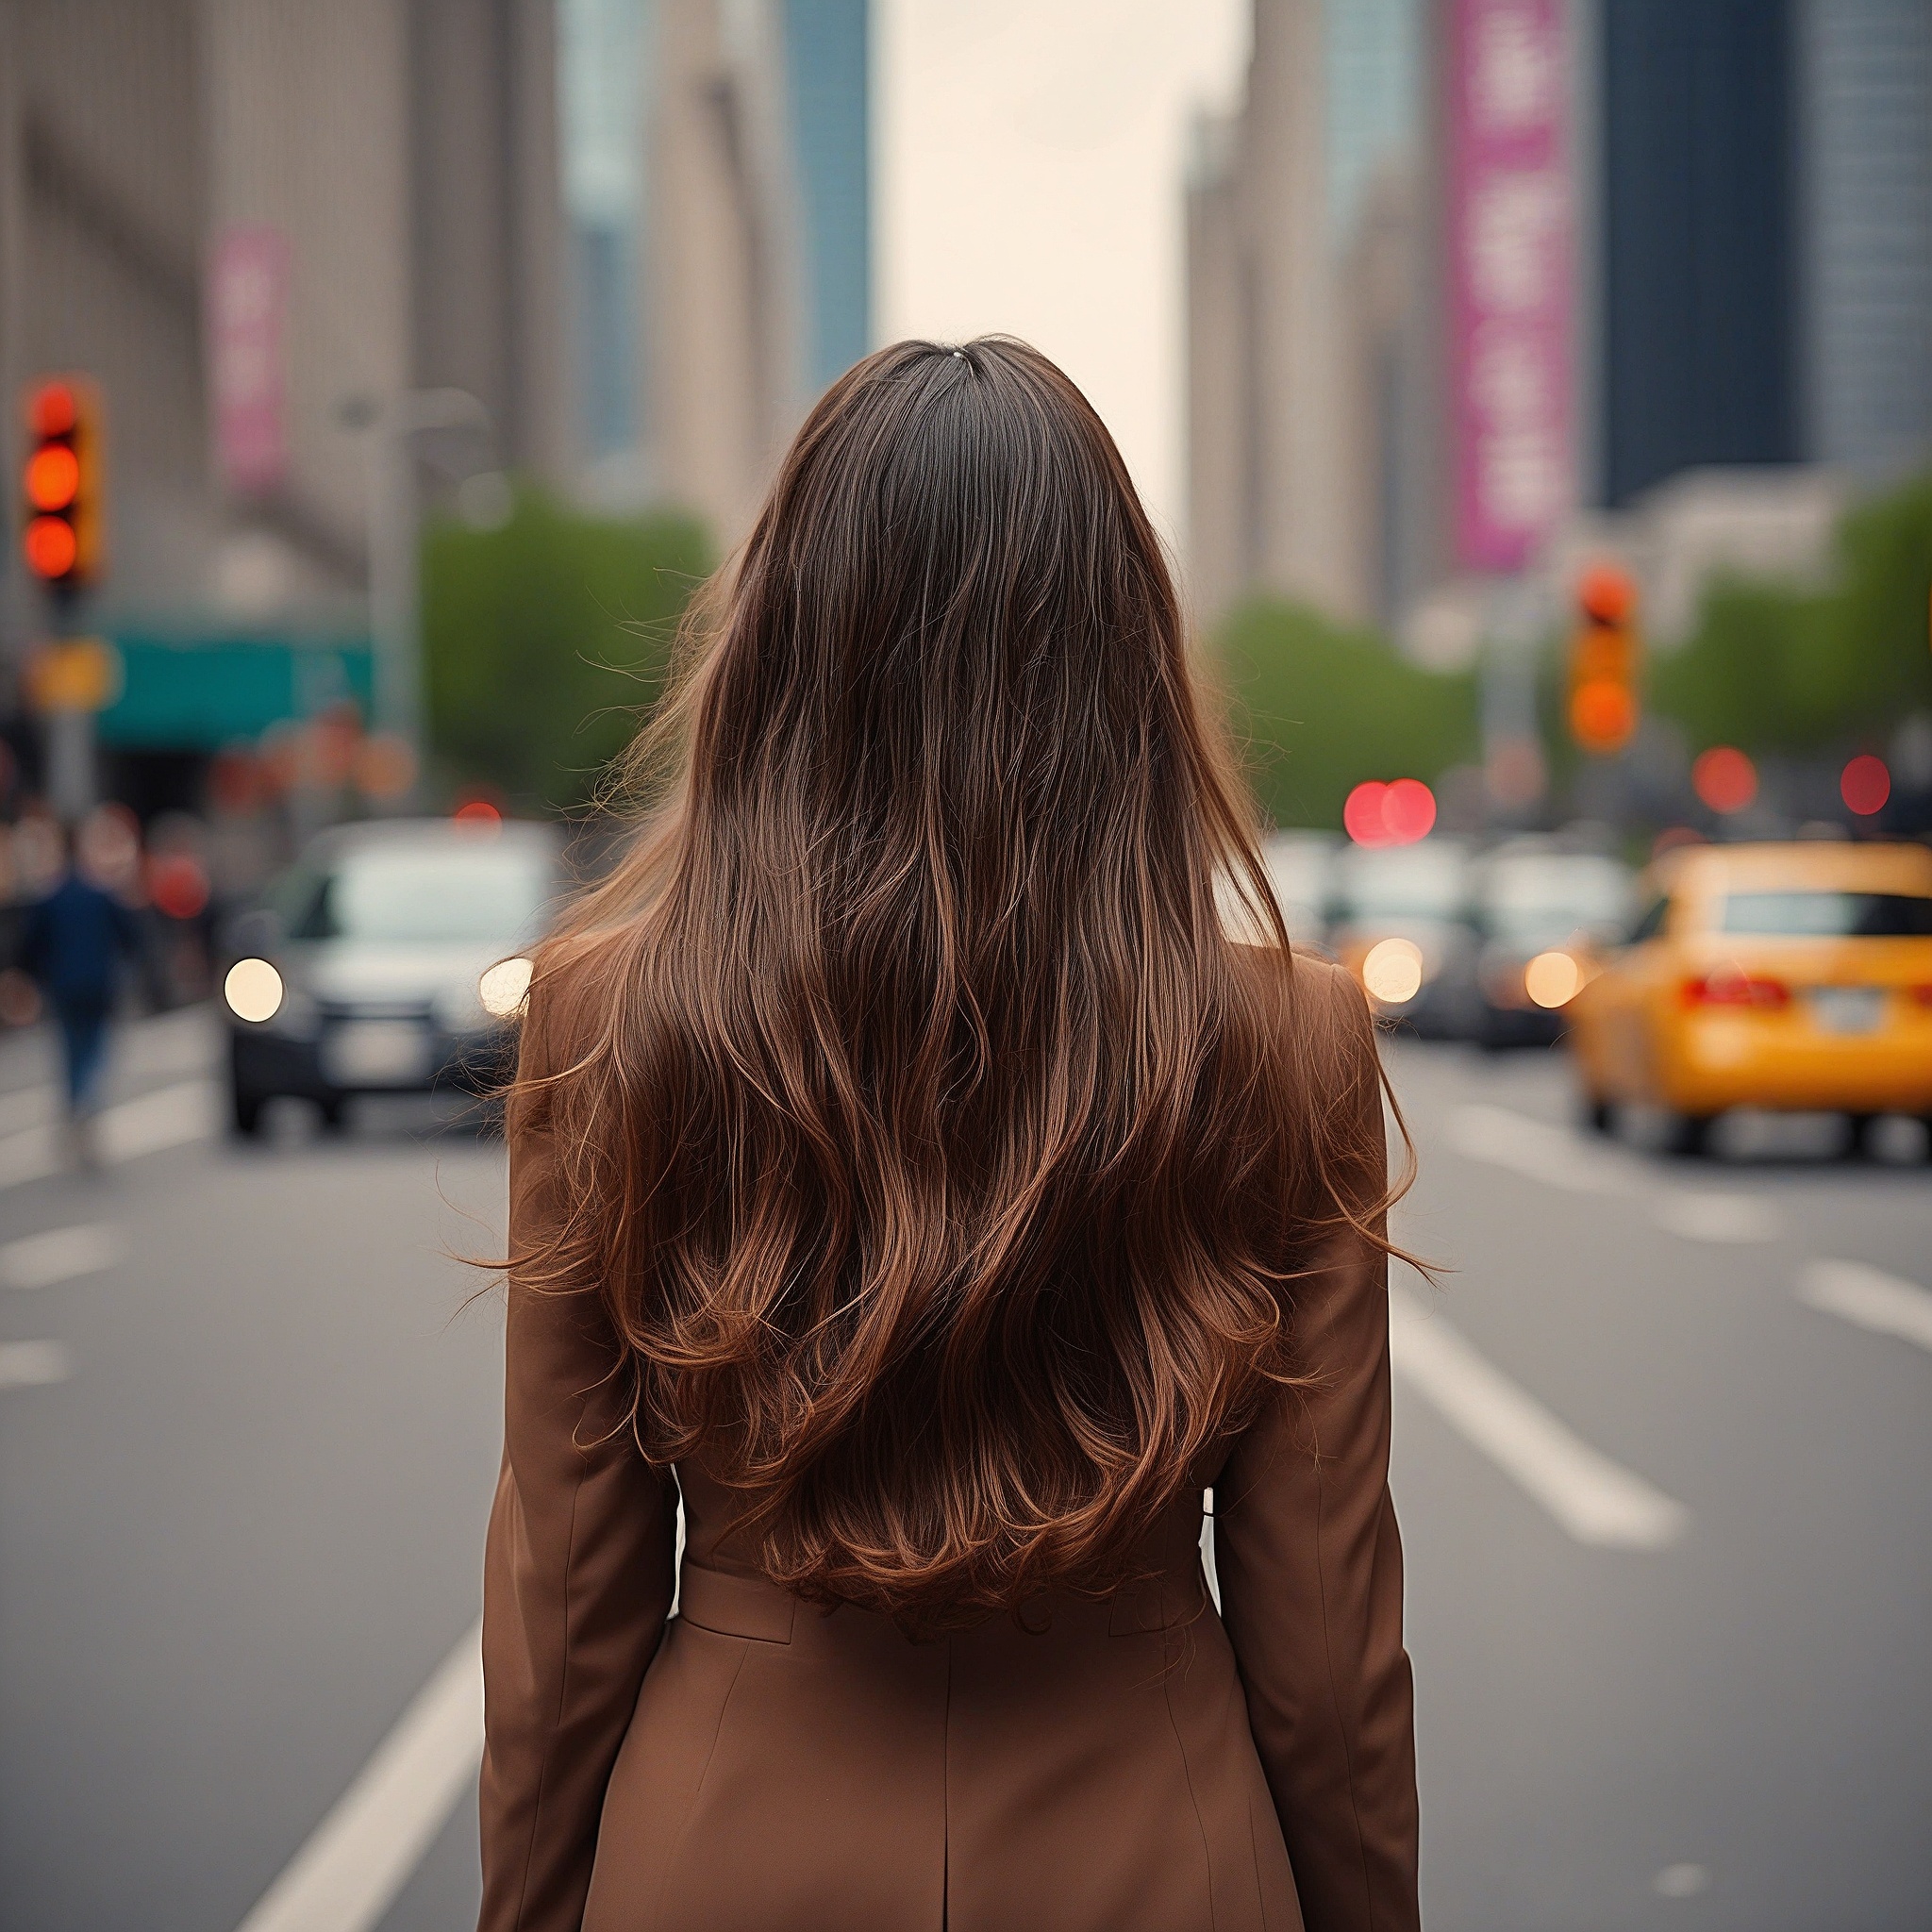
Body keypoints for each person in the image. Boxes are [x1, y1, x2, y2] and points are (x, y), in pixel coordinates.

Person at [478, 339, 1420, 1932]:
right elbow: (1323, 1639)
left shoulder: (606, 1022)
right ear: (1127, 658)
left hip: (721, 1842)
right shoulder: (1287, 1043)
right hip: (1160, 1846)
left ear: (776, 647)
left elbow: (567, 1602)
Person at [19, 817, 142, 1163]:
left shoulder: (51, 897)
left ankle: (77, 1102)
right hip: (99, 985)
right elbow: (131, 937)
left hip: (64, 986)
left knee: (71, 1049)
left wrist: (28, 975)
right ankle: (86, 1099)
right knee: (95, 1047)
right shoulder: (102, 895)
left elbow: (29, 945)